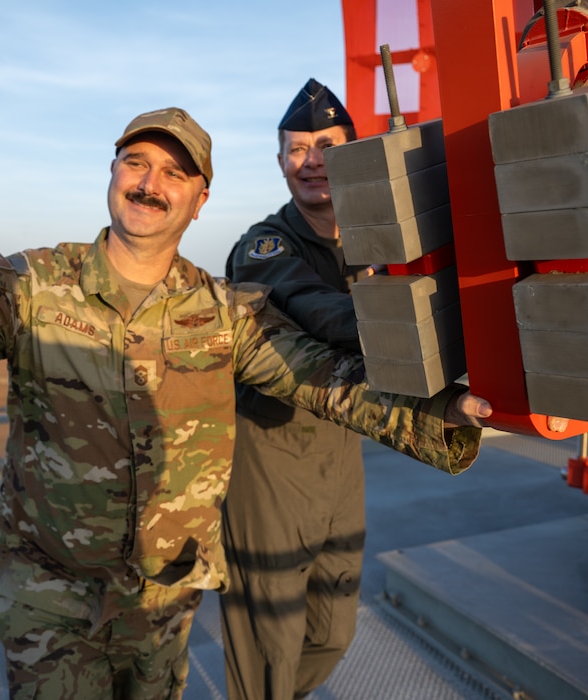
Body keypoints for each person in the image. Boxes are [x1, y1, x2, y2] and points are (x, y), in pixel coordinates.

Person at [0, 107, 492, 700]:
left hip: (164, 601)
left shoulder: (226, 313)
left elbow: (326, 382)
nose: (152, 183)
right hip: (51, 599)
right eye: (137, 163)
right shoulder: (29, 285)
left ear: (200, 198)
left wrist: (449, 413)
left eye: (176, 172)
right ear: (113, 174)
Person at [219, 78, 371, 699]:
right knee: (267, 647)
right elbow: (314, 308)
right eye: (297, 149)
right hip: (268, 462)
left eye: (327, 146)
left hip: (341, 453)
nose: (312, 162)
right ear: (280, 161)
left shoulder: (378, 239)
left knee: (332, 631)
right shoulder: (263, 247)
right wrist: (405, 323)